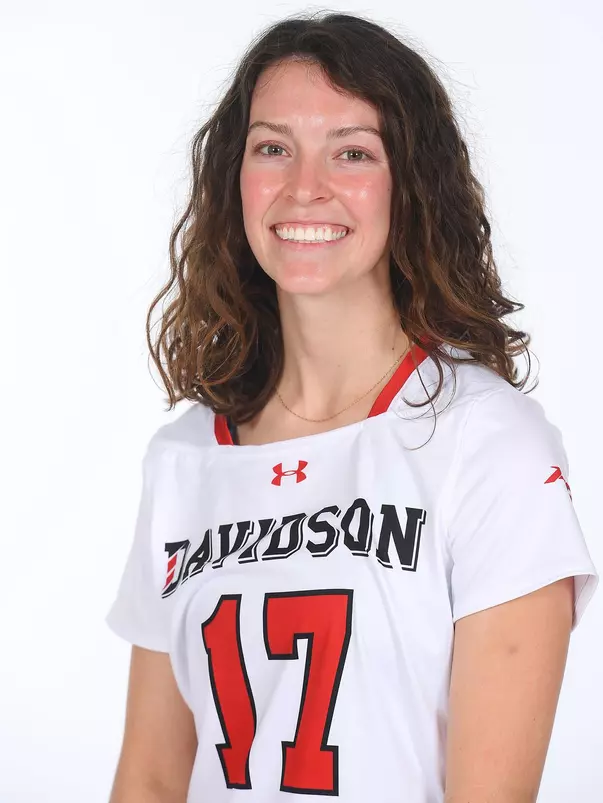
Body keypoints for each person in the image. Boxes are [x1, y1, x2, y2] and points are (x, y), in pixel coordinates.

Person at [106, 11, 598, 803]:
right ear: (235, 176)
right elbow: (151, 778)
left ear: (412, 183)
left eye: (352, 152)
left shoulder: (487, 441)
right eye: (273, 148)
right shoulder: (185, 458)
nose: (306, 187)